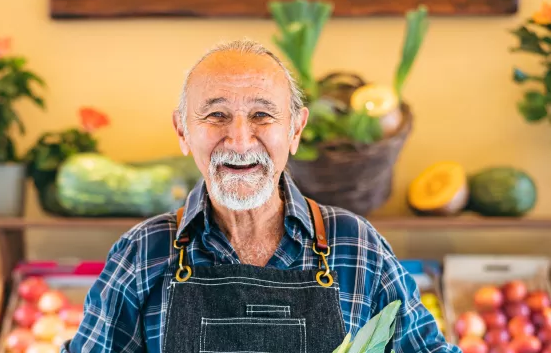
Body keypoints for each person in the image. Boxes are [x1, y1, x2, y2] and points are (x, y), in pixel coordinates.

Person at [61, 39, 461, 353]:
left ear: (295, 130)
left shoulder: (355, 246)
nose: (239, 139)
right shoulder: (143, 252)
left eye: (262, 115)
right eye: (216, 115)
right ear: (183, 131)